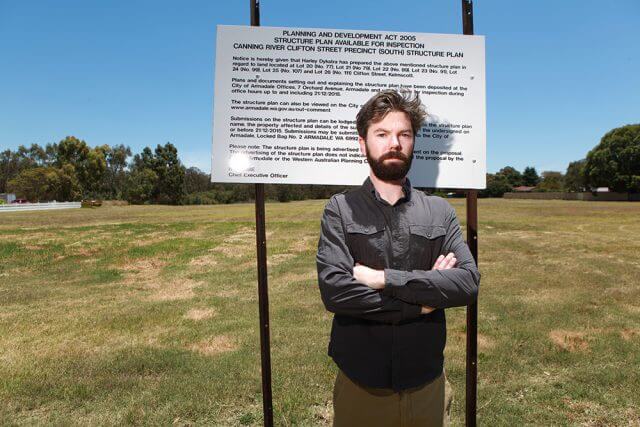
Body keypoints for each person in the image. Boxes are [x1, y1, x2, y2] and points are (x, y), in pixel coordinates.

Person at [316, 89, 480, 426]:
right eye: (382, 134)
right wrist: (423, 300)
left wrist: (384, 280)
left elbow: (467, 283)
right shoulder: (340, 210)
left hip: (427, 385)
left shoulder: (439, 211)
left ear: (414, 142)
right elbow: (336, 291)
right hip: (361, 387)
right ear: (362, 143)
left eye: (404, 134)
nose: (395, 143)